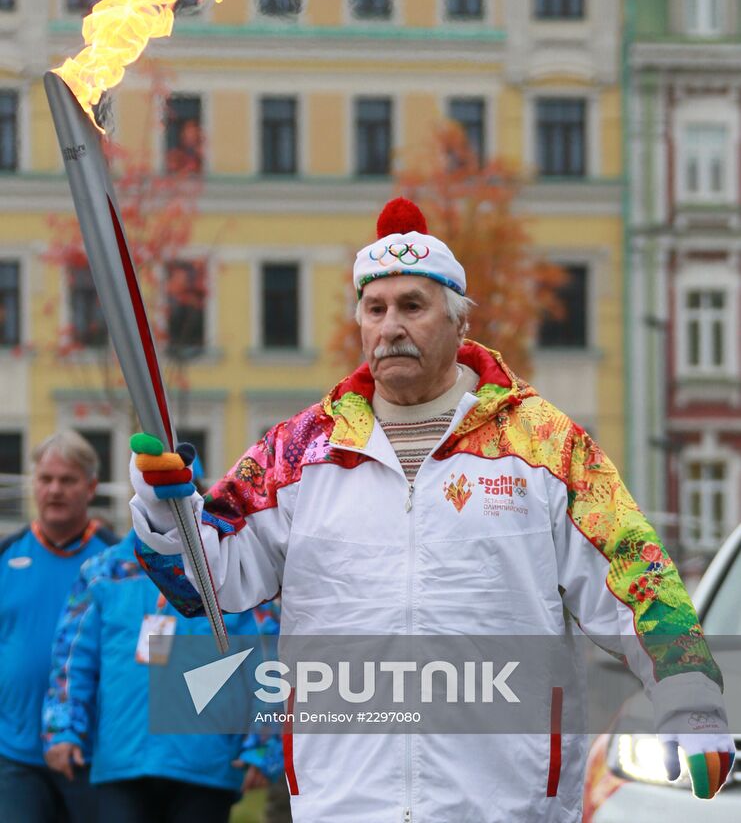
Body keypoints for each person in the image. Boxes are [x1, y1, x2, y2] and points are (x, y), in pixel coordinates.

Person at [129, 197, 735, 821]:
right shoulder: (302, 451)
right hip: (346, 801)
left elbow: (639, 577)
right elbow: (203, 580)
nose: (390, 326)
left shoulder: (544, 446)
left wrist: (687, 696)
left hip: (504, 801)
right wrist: (163, 509)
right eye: (375, 308)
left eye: (412, 307)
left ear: (458, 323)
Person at [42, 526, 285, 823]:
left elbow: (272, 662)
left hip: (205, 763)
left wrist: (264, 744)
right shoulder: (103, 572)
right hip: (123, 759)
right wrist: (62, 728)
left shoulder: (232, 570)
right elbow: (70, 659)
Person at [0, 430, 117, 823]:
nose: (55, 490)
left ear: (92, 487)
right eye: (46, 479)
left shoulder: (117, 562)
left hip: (93, 754)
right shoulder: (7, 555)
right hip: (14, 753)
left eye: (67, 480)